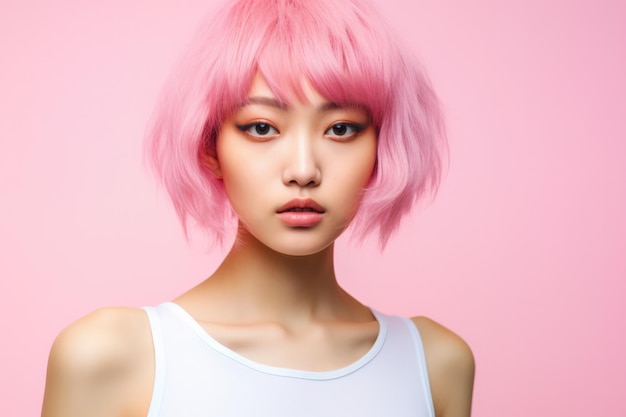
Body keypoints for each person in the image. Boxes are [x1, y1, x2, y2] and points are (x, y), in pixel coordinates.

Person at [41, 0, 474, 416]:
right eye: (262, 128)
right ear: (209, 146)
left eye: (340, 129)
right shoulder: (109, 358)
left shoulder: (436, 364)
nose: (303, 170)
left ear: (382, 147)